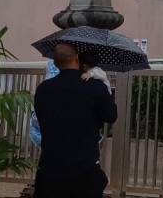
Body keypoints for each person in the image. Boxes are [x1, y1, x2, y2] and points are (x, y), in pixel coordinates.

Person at [34, 43, 117, 198]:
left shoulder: (43, 89)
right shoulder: (96, 88)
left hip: (49, 169)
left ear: (56, 62)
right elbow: (111, 115)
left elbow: (40, 117)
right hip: (85, 169)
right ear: (77, 59)